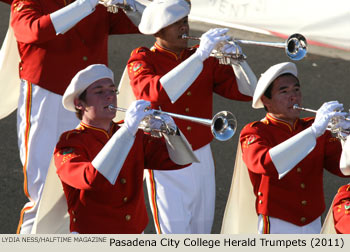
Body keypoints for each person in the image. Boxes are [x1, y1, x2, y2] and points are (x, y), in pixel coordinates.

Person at [9, 0, 144, 233]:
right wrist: (85, 4)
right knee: (42, 195)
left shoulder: (99, 5)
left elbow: (151, 23)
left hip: (93, 104)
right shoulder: (30, 2)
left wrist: (130, 4)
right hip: (47, 98)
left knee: (87, 195)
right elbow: (34, 30)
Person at [125, 0, 257, 234]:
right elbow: (155, 94)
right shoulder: (142, 58)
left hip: (202, 155)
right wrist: (200, 57)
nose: (184, 28)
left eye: (184, 22)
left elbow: (248, 93)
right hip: (165, 156)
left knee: (202, 230)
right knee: (173, 235)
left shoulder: (200, 56)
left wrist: (239, 62)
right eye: (176, 24)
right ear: (158, 31)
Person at [54, 64, 196, 233]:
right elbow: (92, 179)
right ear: (79, 103)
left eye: (112, 91)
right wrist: (128, 130)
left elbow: (181, 161)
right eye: (99, 92)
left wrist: (171, 131)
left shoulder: (132, 133)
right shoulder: (70, 143)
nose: (109, 97)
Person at [227, 62, 349, 234]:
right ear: (265, 101)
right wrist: (313, 132)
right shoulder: (255, 131)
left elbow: (342, 168)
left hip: (313, 221)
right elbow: (265, 163)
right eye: (284, 91)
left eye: (296, 90)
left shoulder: (315, 127)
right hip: (277, 222)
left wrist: (346, 137)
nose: (294, 97)